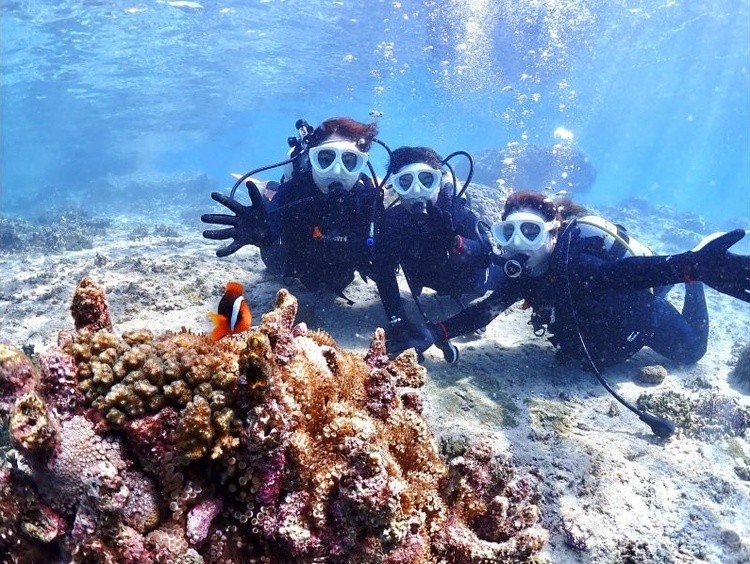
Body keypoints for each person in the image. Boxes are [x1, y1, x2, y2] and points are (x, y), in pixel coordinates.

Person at [391, 190, 750, 370]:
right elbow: (487, 311)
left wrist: (691, 267)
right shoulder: (528, 272)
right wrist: (436, 332)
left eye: (530, 231)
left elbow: (625, 273)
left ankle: (693, 285)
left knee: (692, 353)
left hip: (642, 316)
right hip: (597, 340)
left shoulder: (576, 264)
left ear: (553, 233)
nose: (518, 244)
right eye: (509, 233)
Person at [201, 117, 383, 301]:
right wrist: (264, 232)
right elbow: (272, 223)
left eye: (349, 161)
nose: (337, 172)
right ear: (312, 158)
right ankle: (269, 190)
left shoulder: (368, 198)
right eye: (325, 159)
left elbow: (380, 244)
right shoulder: (294, 190)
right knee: (273, 265)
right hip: (292, 261)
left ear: (362, 163)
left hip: (339, 270)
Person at [373, 146, 497, 359]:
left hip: (471, 283)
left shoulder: (456, 212)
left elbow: (485, 257)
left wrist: (455, 242)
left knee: (496, 279)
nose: (417, 190)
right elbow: (384, 273)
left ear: (439, 181)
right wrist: (398, 323)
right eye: (405, 182)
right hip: (428, 279)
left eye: (426, 180)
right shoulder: (392, 221)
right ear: (395, 186)